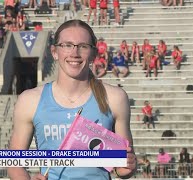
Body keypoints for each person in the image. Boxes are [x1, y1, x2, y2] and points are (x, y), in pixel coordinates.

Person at [7, 19, 137, 180]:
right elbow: (14, 164)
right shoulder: (30, 100)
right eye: (67, 45)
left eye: (83, 46)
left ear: (93, 54)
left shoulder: (115, 98)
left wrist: (125, 169)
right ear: (54, 52)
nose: (74, 53)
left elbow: (124, 164)